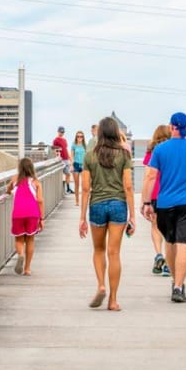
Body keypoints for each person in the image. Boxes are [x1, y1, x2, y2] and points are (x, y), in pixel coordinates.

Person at [140, 112, 186, 303]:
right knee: (184, 244)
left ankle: (175, 281)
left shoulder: (160, 150)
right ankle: (179, 286)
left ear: (172, 127)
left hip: (164, 204)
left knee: (170, 243)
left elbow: (150, 177)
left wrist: (147, 203)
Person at [79, 116, 134, 311]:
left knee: (99, 250)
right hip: (119, 205)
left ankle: (101, 285)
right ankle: (113, 300)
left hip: (97, 205)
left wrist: (82, 218)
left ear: (100, 132)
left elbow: (85, 189)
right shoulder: (124, 155)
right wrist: (133, 216)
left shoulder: (89, 156)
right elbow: (128, 186)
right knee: (114, 253)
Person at [142, 124, 172, 276]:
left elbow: (148, 176)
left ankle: (158, 254)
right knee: (168, 229)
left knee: (155, 226)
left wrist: (144, 201)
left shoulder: (151, 152)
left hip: (154, 194)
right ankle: (167, 262)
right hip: (169, 194)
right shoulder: (172, 151)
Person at [7, 157, 44, 275]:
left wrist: (8, 191)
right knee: (30, 240)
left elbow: (8, 190)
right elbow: (40, 201)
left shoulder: (15, 180)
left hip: (18, 213)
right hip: (32, 213)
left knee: (19, 239)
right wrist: (41, 218)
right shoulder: (36, 182)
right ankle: (27, 268)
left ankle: (21, 254)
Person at [52, 125, 73, 194]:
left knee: (68, 174)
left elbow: (66, 149)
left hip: (66, 159)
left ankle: (68, 189)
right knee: (61, 174)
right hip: (61, 160)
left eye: (63, 132)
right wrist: (57, 159)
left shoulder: (64, 140)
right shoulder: (55, 140)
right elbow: (54, 150)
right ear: (58, 132)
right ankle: (63, 190)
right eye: (61, 132)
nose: (62, 133)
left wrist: (70, 159)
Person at [71, 130, 87, 206]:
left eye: (81, 136)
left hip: (84, 166)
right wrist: (71, 165)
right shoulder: (74, 145)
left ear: (83, 137)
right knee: (76, 184)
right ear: (76, 137)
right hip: (76, 165)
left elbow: (87, 156)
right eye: (78, 136)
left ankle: (84, 200)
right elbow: (72, 156)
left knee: (84, 184)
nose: (79, 138)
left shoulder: (85, 146)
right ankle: (77, 200)